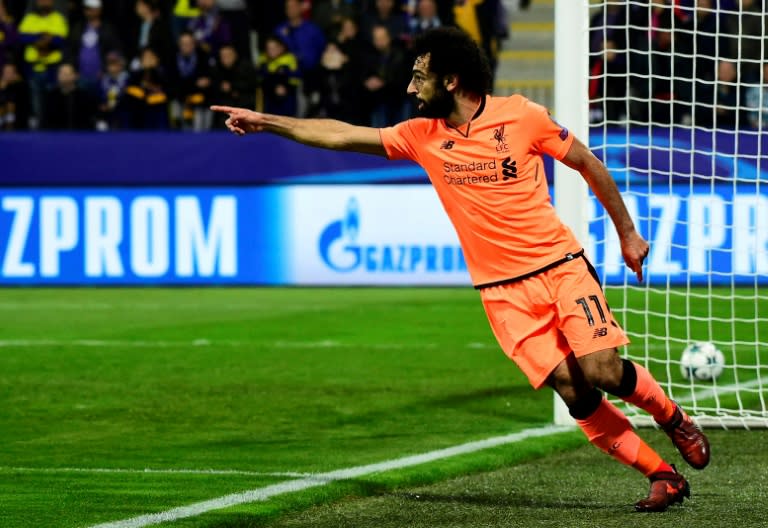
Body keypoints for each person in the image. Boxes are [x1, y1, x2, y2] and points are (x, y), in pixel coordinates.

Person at [210, 26, 710, 512]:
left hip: (560, 266)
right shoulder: (420, 135)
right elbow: (341, 135)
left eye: (419, 76)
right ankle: (661, 474)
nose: (410, 87)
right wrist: (267, 121)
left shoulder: (521, 116)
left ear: (450, 80)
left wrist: (626, 233)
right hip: (501, 292)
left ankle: (672, 417)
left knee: (600, 369)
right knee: (572, 389)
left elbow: (586, 162)